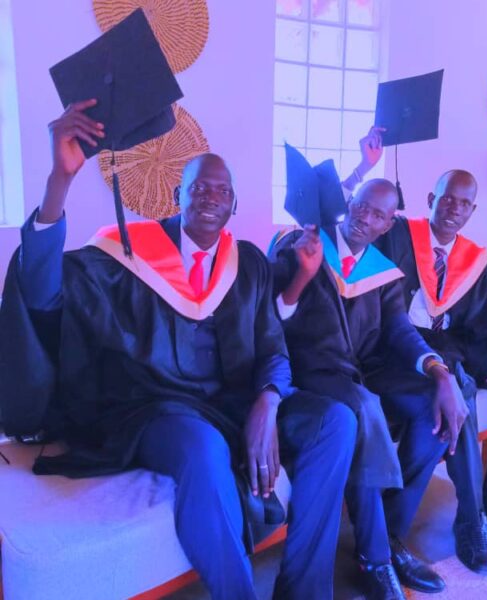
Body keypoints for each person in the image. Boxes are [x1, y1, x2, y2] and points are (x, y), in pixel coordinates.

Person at [0, 100, 359, 600]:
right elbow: (41, 294)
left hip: (233, 403)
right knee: (204, 449)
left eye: (223, 190)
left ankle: (303, 589)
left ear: (234, 205)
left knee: (337, 421)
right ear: (177, 195)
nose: (211, 196)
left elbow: (273, 348)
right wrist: (59, 182)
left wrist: (268, 401)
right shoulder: (126, 255)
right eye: (200, 187)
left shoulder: (248, 264)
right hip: (156, 409)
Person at [345, 131, 487, 577]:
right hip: (404, 345)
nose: (453, 208)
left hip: (458, 343)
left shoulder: (474, 258)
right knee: (456, 383)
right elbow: (351, 221)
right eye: (447, 198)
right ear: (431, 199)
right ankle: (472, 517)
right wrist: (361, 169)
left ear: (472, 211)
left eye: (463, 203)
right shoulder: (395, 233)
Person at [269, 173, 469, 598]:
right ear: (349, 202)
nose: (365, 217)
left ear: (388, 224)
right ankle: (375, 558)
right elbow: (270, 318)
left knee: (430, 410)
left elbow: (399, 329)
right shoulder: (302, 245)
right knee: (364, 409)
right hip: (308, 371)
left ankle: (389, 536)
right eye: (361, 205)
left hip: (354, 374)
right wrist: (302, 274)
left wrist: (439, 370)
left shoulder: (384, 273)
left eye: (378, 214)